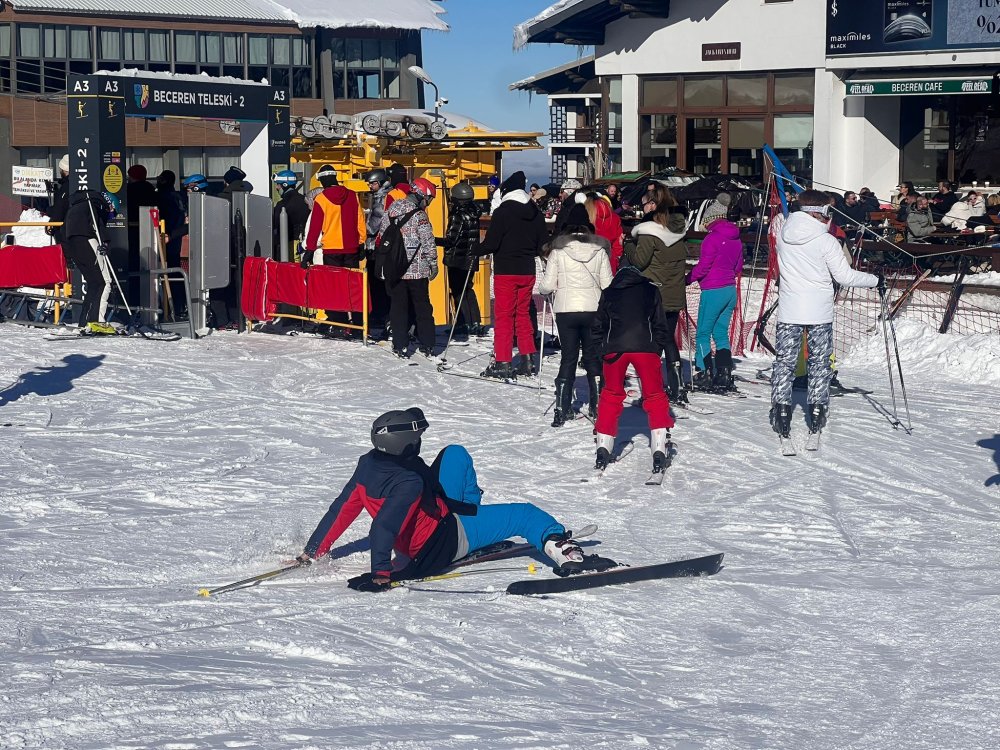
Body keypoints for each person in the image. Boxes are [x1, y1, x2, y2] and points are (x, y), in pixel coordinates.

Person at [295, 408, 611, 588]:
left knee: (455, 454)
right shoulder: (409, 481)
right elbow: (382, 529)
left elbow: (342, 510)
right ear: (404, 444)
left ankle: (478, 518)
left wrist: (313, 551)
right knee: (523, 515)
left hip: (436, 514)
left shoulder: (369, 464)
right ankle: (566, 553)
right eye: (416, 439)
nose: (419, 444)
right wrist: (381, 574)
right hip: (443, 540)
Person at [770, 189, 880, 440]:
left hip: (790, 309)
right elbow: (845, 276)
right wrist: (875, 280)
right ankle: (817, 409)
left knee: (785, 362)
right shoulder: (826, 241)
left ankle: (781, 409)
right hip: (819, 311)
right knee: (819, 362)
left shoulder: (784, 235)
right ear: (821, 213)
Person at [591, 246, 675, 475]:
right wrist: (656, 348)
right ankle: (658, 447)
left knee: (611, 394)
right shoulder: (650, 290)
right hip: (645, 347)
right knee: (654, 394)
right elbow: (660, 324)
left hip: (615, 348)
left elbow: (598, 325)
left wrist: (601, 350)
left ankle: (603, 445)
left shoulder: (609, 291)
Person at [537, 203, 613, 427]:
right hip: (593, 308)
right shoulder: (599, 250)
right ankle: (597, 404)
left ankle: (562, 407)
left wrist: (545, 290)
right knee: (593, 356)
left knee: (568, 357)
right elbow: (607, 284)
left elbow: (547, 285)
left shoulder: (558, 251)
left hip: (566, 310)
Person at [479, 170, 546, 380]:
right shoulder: (535, 212)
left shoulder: (503, 212)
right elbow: (542, 244)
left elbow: (491, 243)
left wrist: (474, 250)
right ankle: (527, 359)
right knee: (523, 314)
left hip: (506, 270)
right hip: (527, 270)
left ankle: (503, 361)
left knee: (504, 315)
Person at [629, 200, 689, 403]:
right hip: (674, 294)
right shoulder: (679, 235)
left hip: (654, 295)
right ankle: (678, 385)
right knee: (667, 338)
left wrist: (628, 245)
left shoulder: (651, 235)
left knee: (652, 343)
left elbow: (639, 262)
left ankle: (651, 390)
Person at [378, 177, 438, 358]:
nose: (428, 203)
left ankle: (400, 344)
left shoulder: (392, 210)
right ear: (421, 196)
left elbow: (382, 234)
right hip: (417, 270)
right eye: (428, 199)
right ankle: (427, 344)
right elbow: (428, 242)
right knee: (422, 308)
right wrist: (433, 264)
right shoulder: (420, 216)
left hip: (395, 269)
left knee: (398, 308)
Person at [687, 201, 743, 390]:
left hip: (713, 290)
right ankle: (724, 372)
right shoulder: (736, 238)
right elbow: (738, 267)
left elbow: (703, 267)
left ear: (711, 218)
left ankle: (703, 372)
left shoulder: (711, 239)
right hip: (729, 289)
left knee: (703, 333)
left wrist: (689, 278)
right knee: (720, 333)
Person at [61, 190, 118, 332]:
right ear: (109, 205)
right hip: (87, 241)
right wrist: (104, 243)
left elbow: (62, 232)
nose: (110, 217)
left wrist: (68, 257)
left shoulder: (74, 207)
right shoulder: (93, 205)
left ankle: (84, 321)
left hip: (73, 245)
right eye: (111, 213)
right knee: (105, 282)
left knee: (94, 283)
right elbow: (97, 225)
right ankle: (98, 322)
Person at [441, 182, 485, 340]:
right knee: (468, 290)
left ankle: (462, 323)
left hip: (457, 259)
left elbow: (452, 239)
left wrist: (434, 240)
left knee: (458, 292)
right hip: (470, 258)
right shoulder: (474, 213)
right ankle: (476, 322)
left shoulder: (458, 215)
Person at [302, 165, 365, 269]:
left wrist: (309, 253)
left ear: (321, 180)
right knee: (351, 283)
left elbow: (315, 228)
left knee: (334, 283)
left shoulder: (321, 199)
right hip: (352, 248)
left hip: (331, 250)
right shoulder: (353, 196)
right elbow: (360, 221)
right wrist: (361, 243)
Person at [362, 168, 393, 332]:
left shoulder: (381, 199)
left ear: (380, 183)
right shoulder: (382, 195)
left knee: (377, 283)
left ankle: (379, 315)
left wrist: (362, 229)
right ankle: (382, 314)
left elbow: (374, 224)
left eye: (372, 183)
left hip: (376, 247)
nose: (369, 186)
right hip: (382, 245)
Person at [156, 170, 188, 318]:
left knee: (164, 275)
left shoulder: (163, 197)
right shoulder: (179, 197)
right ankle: (178, 306)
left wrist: (167, 235)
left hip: (164, 238)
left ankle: (169, 309)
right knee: (175, 274)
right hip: (174, 240)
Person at [271, 170, 310, 261]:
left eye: (278, 184)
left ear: (285, 185)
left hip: (288, 245)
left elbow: (276, 225)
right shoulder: (305, 201)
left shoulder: (282, 205)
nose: (276, 187)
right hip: (305, 245)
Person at [587, 193, 624, 272]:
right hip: (609, 261)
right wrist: (616, 259)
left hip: (589, 260)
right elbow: (618, 243)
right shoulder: (615, 218)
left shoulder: (588, 217)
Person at [46, 154, 71, 244]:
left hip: (65, 231)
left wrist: (50, 212)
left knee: (65, 255)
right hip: (77, 228)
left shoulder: (66, 187)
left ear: (64, 170)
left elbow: (59, 210)